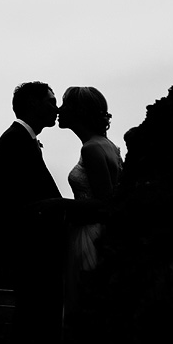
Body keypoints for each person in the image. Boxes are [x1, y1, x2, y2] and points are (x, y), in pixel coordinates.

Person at [0, 82, 67, 344]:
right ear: (32, 104)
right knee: (34, 322)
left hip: (31, 251)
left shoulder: (20, 140)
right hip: (30, 252)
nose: (56, 108)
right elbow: (17, 204)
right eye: (51, 101)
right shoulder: (15, 141)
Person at [57, 86, 123, 318]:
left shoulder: (91, 148)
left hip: (88, 237)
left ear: (78, 112)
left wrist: (57, 204)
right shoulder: (107, 145)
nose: (58, 109)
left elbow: (104, 203)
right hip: (93, 233)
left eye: (65, 105)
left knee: (82, 309)